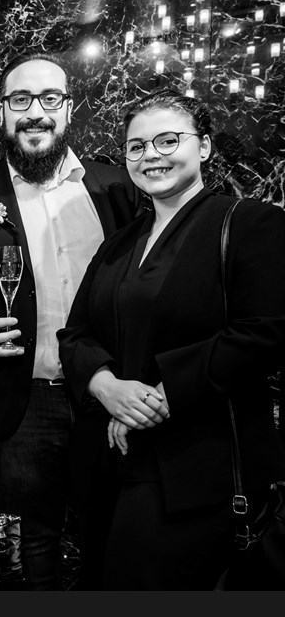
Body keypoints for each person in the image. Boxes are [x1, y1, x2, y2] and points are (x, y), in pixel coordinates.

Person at [58, 89, 285, 589]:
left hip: (199, 468)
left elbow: (265, 332)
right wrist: (106, 386)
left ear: (203, 146)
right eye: (137, 147)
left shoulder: (250, 223)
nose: (151, 156)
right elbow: (75, 334)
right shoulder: (119, 243)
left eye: (167, 141)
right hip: (113, 464)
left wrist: (161, 394)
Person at [0, 53, 140, 589]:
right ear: (1, 111)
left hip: (105, 395)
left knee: (110, 531)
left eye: (49, 98)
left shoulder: (117, 188)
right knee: (33, 544)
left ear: (68, 109)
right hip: (23, 399)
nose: (35, 112)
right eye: (20, 99)